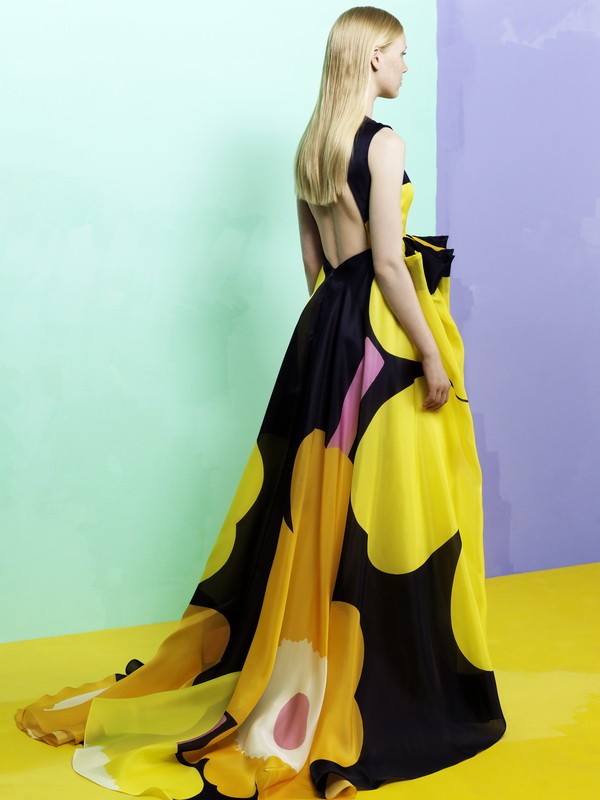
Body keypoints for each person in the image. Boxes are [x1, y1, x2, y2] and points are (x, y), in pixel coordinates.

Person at [16, 6, 506, 799]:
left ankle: (306, 646)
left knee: (314, 500)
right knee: (379, 506)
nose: (407, 66)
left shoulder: (312, 147)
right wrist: (427, 353)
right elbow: (388, 264)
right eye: (400, 53)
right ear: (372, 58)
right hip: (377, 339)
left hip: (323, 332)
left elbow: (315, 265)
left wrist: (333, 330)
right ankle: (377, 668)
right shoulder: (384, 144)